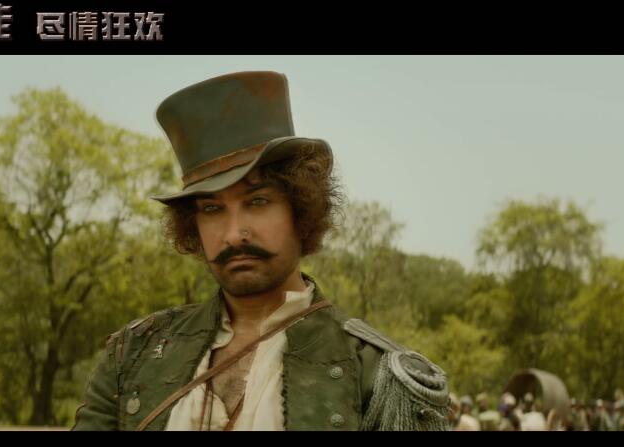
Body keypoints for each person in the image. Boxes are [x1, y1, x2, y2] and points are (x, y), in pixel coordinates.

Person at [72, 71, 450, 431]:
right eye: (212, 208)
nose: (234, 234)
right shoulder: (133, 354)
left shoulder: (377, 372)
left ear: (300, 211)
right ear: (193, 225)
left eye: (257, 201)